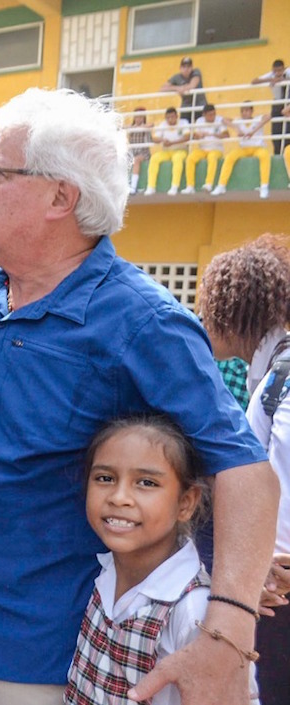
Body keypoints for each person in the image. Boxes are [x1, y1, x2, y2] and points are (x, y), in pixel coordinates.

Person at [0, 88, 276, 705]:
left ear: (61, 196)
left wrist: (227, 631)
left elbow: (243, 467)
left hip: (53, 658)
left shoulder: (142, 320)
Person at [66, 415, 259, 705]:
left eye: (146, 482)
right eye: (105, 478)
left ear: (186, 503)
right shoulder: (104, 570)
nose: (119, 497)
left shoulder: (194, 609)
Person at [197, 234, 290, 705]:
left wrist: (266, 563)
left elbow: (281, 474)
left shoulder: (281, 376)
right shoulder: (271, 372)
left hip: (278, 584)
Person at [215, 103, 272, 199]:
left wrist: (253, 131)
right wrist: (237, 129)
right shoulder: (238, 121)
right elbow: (223, 119)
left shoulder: (257, 118)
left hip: (258, 148)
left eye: (246, 110)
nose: (244, 113)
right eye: (242, 111)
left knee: (265, 156)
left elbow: (269, 116)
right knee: (230, 157)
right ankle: (221, 185)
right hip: (244, 149)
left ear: (251, 111)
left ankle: (264, 186)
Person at [145, 107, 190, 196]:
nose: (170, 119)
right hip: (166, 151)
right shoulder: (163, 124)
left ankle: (174, 186)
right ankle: (151, 186)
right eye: (168, 117)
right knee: (154, 158)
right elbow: (155, 138)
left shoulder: (183, 122)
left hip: (180, 150)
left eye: (172, 117)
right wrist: (163, 140)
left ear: (177, 116)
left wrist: (172, 142)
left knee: (177, 159)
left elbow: (187, 137)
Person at [182, 104, 226, 194]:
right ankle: (190, 186)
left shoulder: (219, 120)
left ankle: (209, 184)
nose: (212, 117)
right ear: (204, 115)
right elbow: (194, 135)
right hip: (203, 149)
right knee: (190, 158)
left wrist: (213, 135)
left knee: (212, 158)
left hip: (216, 149)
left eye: (214, 114)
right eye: (210, 115)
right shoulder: (199, 121)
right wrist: (198, 135)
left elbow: (226, 134)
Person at [251, 59, 288, 156]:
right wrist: (270, 80)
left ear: (284, 69)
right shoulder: (271, 75)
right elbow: (254, 81)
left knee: (287, 129)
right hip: (277, 103)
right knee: (276, 131)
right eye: (276, 71)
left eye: (280, 70)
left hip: (288, 101)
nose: (278, 73)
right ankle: (278, 154)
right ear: (273, 70)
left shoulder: (288, 72)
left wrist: (283, 80)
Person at [162, 57, 206, 125]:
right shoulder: (176, 77)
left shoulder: (196, 72)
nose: (186, 69)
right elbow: (162, 89)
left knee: (202, 126)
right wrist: (177, 88)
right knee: (185, 127)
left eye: (188, 67)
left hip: (200, 105)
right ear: (180, 68)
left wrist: (182, 88)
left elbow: (192, 85)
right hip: (186, 106)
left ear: (192, 67)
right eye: (184, 67)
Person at [128, 108, 152, 195]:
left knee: (136, 160)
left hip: (143, 153)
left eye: (140, 117)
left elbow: (148, 143)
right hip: (133, 153)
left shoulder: (146, 128)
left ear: (143, 118)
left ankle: (133, 187)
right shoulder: (131, 129)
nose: (138, 119)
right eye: (136, 117)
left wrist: (143, 128)